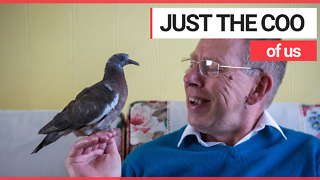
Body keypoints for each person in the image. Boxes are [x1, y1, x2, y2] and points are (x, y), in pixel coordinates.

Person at [65, 39, 320, 177]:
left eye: (210, 66)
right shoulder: (142, 164)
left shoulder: (313, 158)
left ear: (258, 88)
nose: (189, 77)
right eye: (192, 63)